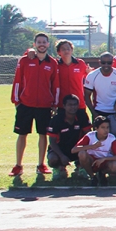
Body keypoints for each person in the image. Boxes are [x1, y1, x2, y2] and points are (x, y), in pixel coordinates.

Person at [10, 33, 59, 181]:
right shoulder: (25, 60)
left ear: (48, 44)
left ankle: (41, 164)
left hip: (44, 105)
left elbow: (55, 85)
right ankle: (18, 165)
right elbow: (17, 81)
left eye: (44, 42)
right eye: (39, 42)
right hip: (25, 104)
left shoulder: (52, 63)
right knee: (22, 134)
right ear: (34, 44)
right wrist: (16, 100)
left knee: (42, 134)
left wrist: (54, 103)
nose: (41, 44)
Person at [46, 95, 91, 179]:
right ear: (64, 106)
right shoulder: (56, 119)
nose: (73, 107)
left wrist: (84, 149)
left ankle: (80, 168)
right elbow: (52, 142)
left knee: (90, 151)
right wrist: (62, 156)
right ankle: (59, 168)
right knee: (52, 159)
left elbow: (88, 135)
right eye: (70, 105)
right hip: (61, 149)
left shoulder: (82, 116)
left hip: (77, 148)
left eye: (75, 104)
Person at [72, 115, 116, 187]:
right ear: (96, 128)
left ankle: (102, 173)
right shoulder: (90, 136)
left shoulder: (111, 138)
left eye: (107, 127)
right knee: (82, 154)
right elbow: (74, 150)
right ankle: (92, 177)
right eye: (103, 127)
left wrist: (105, 159)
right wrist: (92, 146)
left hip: (104, 161)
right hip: (91, 161)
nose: (106, 130)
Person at [84, 52, 116, 119]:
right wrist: (93, 112)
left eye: (109, 63)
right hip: (98, 110)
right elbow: (87, 96)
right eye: (103, 62)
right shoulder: (92, 75)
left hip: (115, 112)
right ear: (99, 62)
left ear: (113, 62)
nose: (106, 65)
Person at [54, 39, 89, 112]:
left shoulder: (80, 63)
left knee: (84, 123)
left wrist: (89, 72)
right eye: (63, 49)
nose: (66, 51)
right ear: (58, 52)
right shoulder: (55, 64)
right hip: (63, 103)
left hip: (79, 103)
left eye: (68, 49)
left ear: (72, 50)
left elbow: (88, 76)